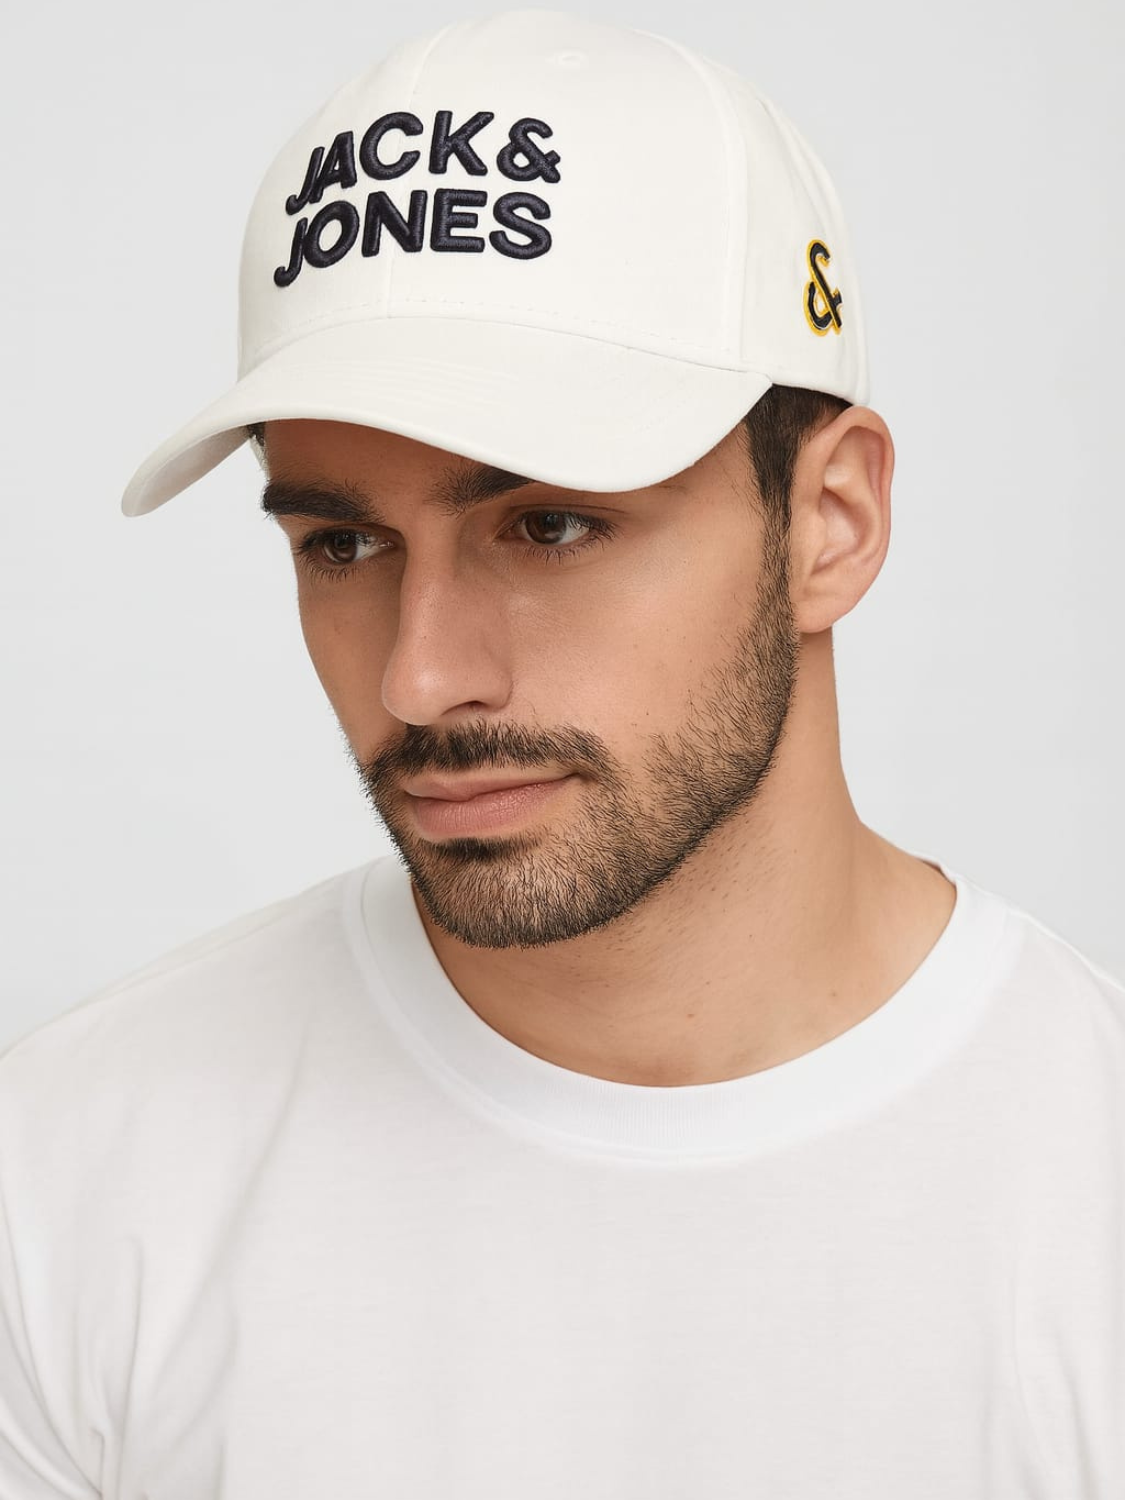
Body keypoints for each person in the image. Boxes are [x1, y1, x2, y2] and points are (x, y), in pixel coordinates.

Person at [1, 9, 1121, 1497]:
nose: (417, 675)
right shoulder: (68, 1177)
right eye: (342, 544)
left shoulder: (1089, 1196)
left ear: (829, 523)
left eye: (550, 525)